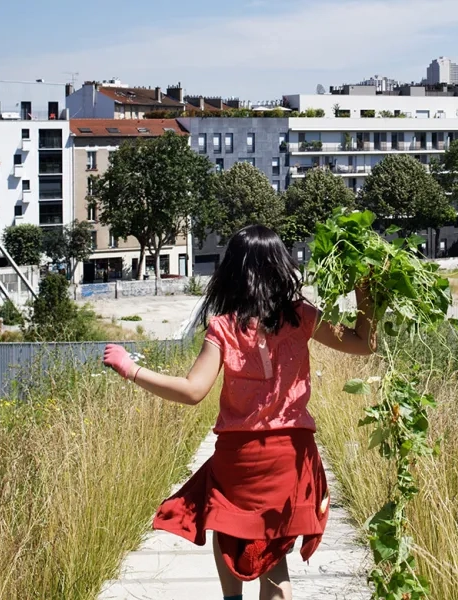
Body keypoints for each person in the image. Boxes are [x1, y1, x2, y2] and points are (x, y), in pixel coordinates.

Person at [103, 224, 377, 600]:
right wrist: (367, 294)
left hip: (240, 457)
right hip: (290, 455)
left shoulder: (224, 327)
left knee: (226, 521)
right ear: (282, 266)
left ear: (230, 270)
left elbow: (192, 391)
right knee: (274, 555)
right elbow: (364, 344)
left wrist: (131, 369)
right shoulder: (301, 316)